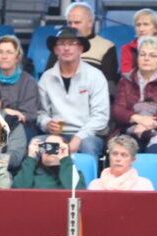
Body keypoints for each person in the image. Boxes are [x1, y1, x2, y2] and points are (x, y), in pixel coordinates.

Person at [37, 27, 110, 157]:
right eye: (62, 44)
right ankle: (45, 178)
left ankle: (87, 177)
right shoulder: (46, 78)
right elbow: (40, 113)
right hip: (57, 134)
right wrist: (46, 123)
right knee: (36, 145)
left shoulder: (95, 76)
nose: (66, 48)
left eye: (72, 43)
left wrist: (79, 138)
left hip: (87, 135)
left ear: (81, 49)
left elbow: (101, 117)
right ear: (55, 50)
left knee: (88, 146)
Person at [111, 36, 157, 158]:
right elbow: (118, 110)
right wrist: (139, 119)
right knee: (126, 152)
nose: (146, 59)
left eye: (152, 56)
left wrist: (150, 123)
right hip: (130, 129)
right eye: (142, 55)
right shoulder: (126, 80)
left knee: (155, 153)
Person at [45, 2, 118, 88]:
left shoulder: (106, 46)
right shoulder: (59, 45)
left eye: (77, 22)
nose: (72, 27)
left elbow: (107, 80)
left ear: (90, 22)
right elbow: (48, 75)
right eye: (70, 23)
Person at [0, 35, 38, 137]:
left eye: (9, 52)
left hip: (20, 127)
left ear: (17, 57)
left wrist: (10, 116)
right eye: (0, 52)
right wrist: (5, 112)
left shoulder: (28, 81)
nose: (4, 56)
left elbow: (30, 115)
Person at [120, 9, 157, 79]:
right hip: (135, 86)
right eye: (138, 25)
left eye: (146, 24)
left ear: (156, 28)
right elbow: (126, 74)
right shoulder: (127, 48)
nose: (141, 29)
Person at [12, 135, 86, 189]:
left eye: (56, 146)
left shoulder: (75, 174)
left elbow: (77, 195)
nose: (51, 150)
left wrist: (65, 159)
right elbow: (17, 193)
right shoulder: (30, 172)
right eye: (46, 146)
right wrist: (31, 157)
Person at [88, 135, 154, 190]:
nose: (118, 159)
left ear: (133, 160)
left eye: (124, 155)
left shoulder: (144, 185)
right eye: (114, 154)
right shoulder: (95, 185)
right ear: (109, 157)